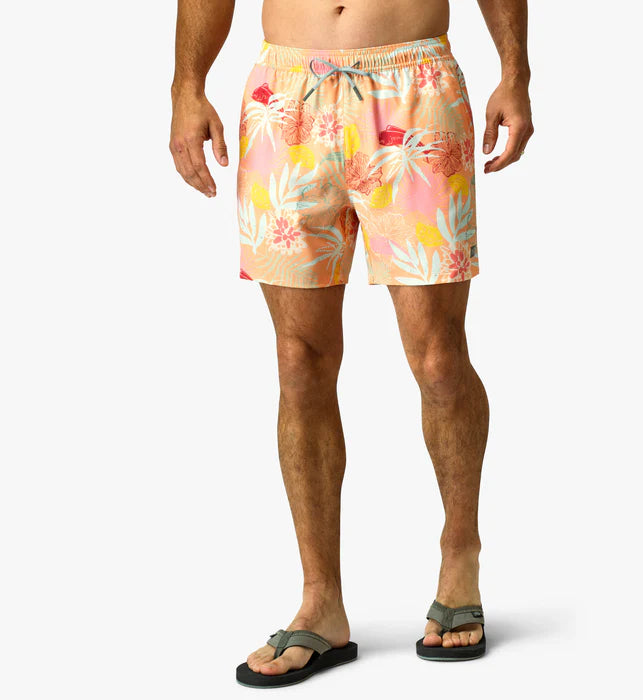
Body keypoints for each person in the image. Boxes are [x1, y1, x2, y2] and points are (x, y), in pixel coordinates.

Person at [170, 0, 533, 687]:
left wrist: (515, 71)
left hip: (414, 86)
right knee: (298, 362)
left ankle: (460, 556)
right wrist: (187, 86)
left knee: (438, 357)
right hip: (285, 97)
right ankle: (321, 602)